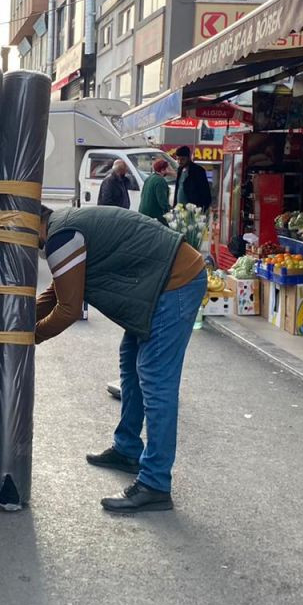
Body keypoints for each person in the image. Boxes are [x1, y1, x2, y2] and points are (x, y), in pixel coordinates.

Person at [36, 206, 207, 512]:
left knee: (156, 381)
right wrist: (19, 321)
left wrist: (29, 338)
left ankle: (155, 483)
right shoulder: (64, 227)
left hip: (174, 283)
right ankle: (127, 449)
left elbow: (69, 309)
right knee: (130, 364)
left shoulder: (62, 237)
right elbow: (58, 290)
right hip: (157, 282)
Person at [173, 146, 212, 211]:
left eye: (182, 159)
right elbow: (178, 189)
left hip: (193, 210)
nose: (179, 161)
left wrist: (201, 209)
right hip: (179, 210)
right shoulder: (180, 170)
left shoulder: (197, 171)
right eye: (178, 159)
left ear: (188, 158)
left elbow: (205, 192)